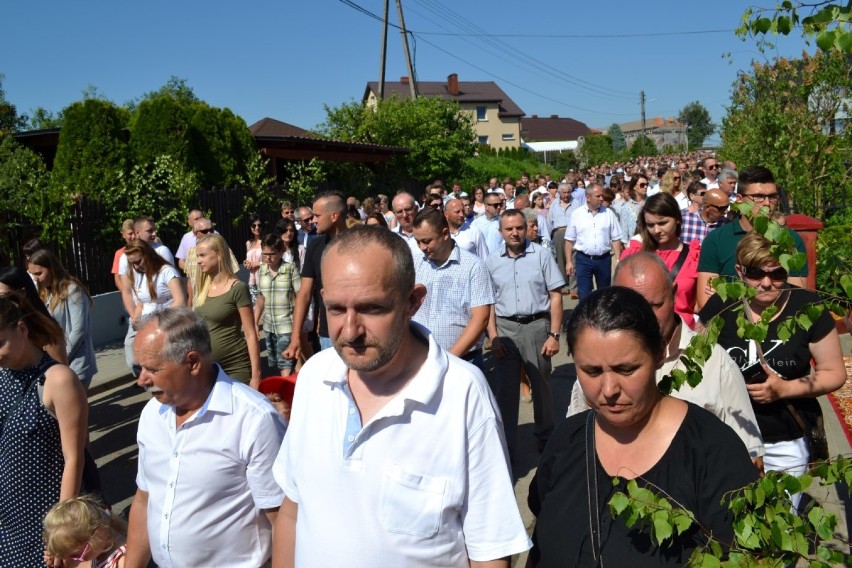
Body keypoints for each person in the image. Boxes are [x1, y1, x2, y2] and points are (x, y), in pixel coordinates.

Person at [271, 225, 530, 567]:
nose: (350, 331)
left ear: (412, 302)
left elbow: (490, 552)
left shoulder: (462, 393)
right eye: (335, 309)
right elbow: (292, 510)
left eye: (372, 309)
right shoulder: (314, 378)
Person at [528, 287, 758, 566]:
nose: (609, 389)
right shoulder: (567, 440)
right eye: (592, 371)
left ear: (660, 353)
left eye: (626, 370)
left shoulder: (712, 450)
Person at [125, 308, 286, 568]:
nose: (142, 380)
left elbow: (283, 520)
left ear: (192, 362)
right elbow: (145, 499)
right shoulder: (152, 414)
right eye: (139, 367)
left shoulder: (253, 420)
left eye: (152, 369)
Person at [567, 253, 765, 462]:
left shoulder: (715, 363)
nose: (642, 317)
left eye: (654, 305)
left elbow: (750, 456)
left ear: (674, 294)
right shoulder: (596, 364)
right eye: (628, 307)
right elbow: (575, 443)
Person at [698, 232, 846, 508]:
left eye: (777, 274)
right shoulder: (722, 305)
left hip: (786, 438)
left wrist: (784, 389)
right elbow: (698, 362)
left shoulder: (808, 306)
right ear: (740, 271)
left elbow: (834, 372)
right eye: (756, 273)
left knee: (780, 520)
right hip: (730, 434)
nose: (766, 283)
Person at [0, 294, 88, 566]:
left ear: (22, 330)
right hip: (7, 515)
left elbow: (74, 458)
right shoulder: (3, 375)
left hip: (44, 516)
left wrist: (60, 532)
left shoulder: (58, 380)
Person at [485, 209, 565, 459]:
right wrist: (493, 336)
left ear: (526, 227)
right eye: (509, 229)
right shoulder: (490, 261)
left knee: (541, 386)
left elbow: (555, 296)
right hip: (505, 329)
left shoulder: (541, 255)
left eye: (519, 227)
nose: (515, 233)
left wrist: (554, 334)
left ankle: (546, 438)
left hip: (536, 328)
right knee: (506, 392)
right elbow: (487, 303)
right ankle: (507, 446)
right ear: (500, 232)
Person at [696, 166, 808, 310]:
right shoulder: (716, 240)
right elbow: (705, 303)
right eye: (758, 197)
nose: (767, 203)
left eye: (772, 197)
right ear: (740, 199)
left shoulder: (791, 240)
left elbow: (797, 298)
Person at [411, 208, 494, 368]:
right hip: (420, 361)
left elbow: (481, 318)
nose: (422, 247)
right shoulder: (415, 265)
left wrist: (447, 359)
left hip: (463, 362)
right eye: (418, 242)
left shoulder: (473, 266)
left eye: (427, 241)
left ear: (444, 233)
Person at [620, 193, 700, 328]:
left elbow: (699, 305)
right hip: (641, 333)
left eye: (663, 223)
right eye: (650, 225)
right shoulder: (634, 255)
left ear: (678, 219)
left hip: (682, 334)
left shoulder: (694, 257)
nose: (656, 230)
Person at [284, 191, 348, 361]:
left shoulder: (361, 244)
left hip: (358, 331)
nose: (313, 220)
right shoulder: (315, 245)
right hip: (328, 334)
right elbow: (304, 293)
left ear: (334, 216)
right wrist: (296, 336)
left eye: (317, 215)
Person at [193, 234, 262, 387]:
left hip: (235, 366)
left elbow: (251, 333)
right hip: (209, 370)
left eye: (203, 255)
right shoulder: (202, 289)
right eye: (198, 256)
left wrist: (256, 375)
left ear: (219, 254)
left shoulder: (237, 288)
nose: (198, 261)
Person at [28, 249, 99, 387]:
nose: (36, 279)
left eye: (39, 273)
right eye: (32, 274)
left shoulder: (72, 289)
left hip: (76, 363)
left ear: (52, 269)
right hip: (55, 363)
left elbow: (78, 330)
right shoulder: (43, 292)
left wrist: (61, 358)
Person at [122, 240, 185, 376]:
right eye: (132, 263)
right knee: (134, 357)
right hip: (146, 325)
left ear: (148, 255)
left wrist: (156, 320)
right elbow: (141, 302)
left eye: (138, 261)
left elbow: (180, 301)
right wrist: (136, 316)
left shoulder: (167, 271)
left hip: (167, 325)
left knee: (162, 365)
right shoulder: (140, 275)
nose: (136, 266)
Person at [564, 183, 624, 301]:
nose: (601, 198)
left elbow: (616, 238)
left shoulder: (609, 214)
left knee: (604, 294)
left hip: (603, 259)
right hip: (583, 260)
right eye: (598, 196)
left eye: (602, 196)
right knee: (584, 294)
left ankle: (602, 318)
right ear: (588, 197)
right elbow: (569, 240)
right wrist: (569, 261)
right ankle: (585, 318)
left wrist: (618, 259)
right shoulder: (577, 214)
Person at [255, 233, 301, 376]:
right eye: (265, 254)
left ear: (281, 252)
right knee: (276, 363)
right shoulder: (261, 270)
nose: (268, 257)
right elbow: (261, 298)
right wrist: (255, 322)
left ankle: (287, 393)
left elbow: (300, 297)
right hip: (269, 326)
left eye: (272, 254)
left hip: (286, 325)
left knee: (284, 364)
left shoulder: (290, 269)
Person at [0, 266, 67, 363]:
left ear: (22, 293)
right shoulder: (6, 327)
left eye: (2, 297)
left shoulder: (45, 331)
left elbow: (61, 370)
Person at [43, 494, 127, 568]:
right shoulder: (99, 552)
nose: (79, 560)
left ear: (97, 532)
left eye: (77, 555)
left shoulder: (122, 561)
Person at [616, 173, 649, 245]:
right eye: (642, 185)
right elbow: (624, 235)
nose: (645, 187)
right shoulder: (626, 208)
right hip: (634, 247)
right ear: (634, 186)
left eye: (647, 184)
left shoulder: (651, 202)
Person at [244, 214, 264, 305]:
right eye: (254, 225)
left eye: (259, 225)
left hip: (264, 279)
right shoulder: (249, 243)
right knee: (255, 307)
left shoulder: (266, 241)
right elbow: (248, 260)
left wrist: (259, 264)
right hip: (252, 281)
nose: (257, 228)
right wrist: (246, 263)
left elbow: (272, 260)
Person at [111, 219, 135, 292]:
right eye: (130, 234)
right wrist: (127, 295)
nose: (133, 236)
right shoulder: (120, 253)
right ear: (123, 235)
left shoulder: (144, 249)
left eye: (135, 233)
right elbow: (117, 279)